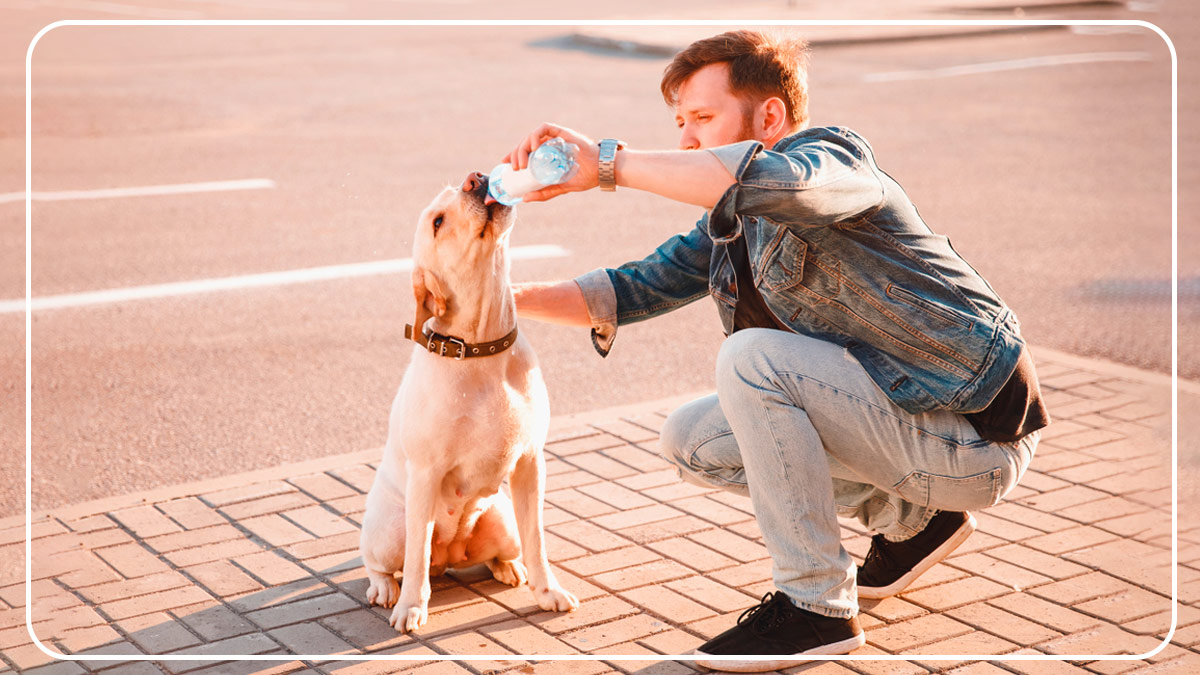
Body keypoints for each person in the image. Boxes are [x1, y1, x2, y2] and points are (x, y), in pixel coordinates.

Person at [502, 30, 1049, 671]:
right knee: (692, 439)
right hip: (909, 431)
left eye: (702, 118)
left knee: (751, 361)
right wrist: (492, 300)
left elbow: (788, 187)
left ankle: (815, 609)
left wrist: (606, 164)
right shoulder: (734, 222)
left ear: (769, 117)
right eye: (680, 123)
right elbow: (631, 288)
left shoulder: (836, 161)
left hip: (977, 436)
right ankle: (913, 522)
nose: (686, 140)